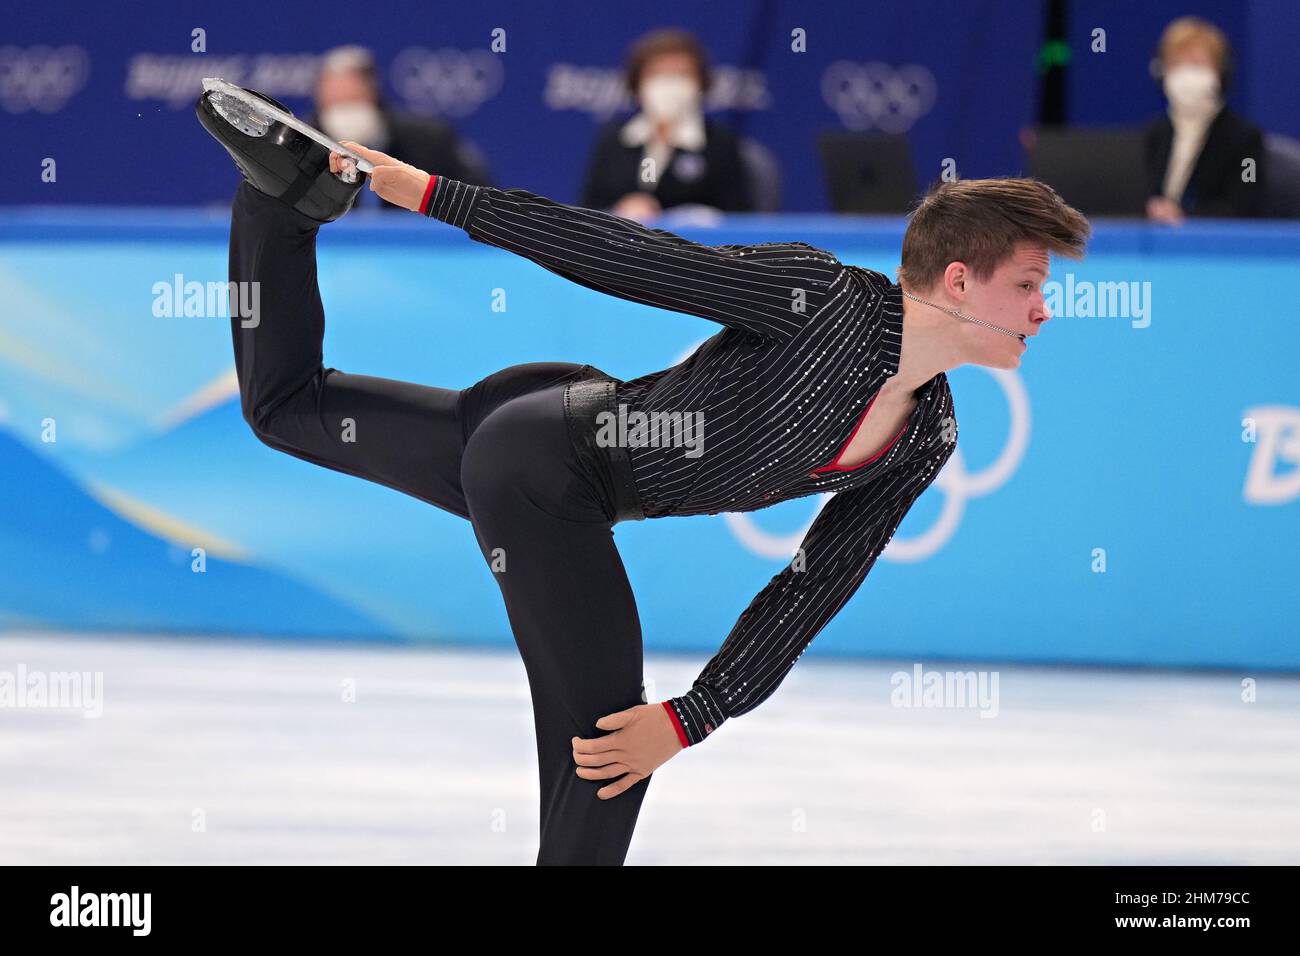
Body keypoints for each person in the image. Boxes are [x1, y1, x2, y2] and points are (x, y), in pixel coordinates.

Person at [197, 85, 1089, 864]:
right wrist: (434, 193)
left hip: (552, 429)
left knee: (286, 407)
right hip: (548, 470)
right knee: (607, 747)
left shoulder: (926, 431)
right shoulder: (823, 300)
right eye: (1029, 287)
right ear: (962, 282)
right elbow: (633, 259)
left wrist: (700, 712)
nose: (1044, 312)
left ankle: (279, 198)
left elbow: (813, 586)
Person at [578, 28, 753, 220]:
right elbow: (588, 209)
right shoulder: (615, 139)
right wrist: (619, 210)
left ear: (701, 83)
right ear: (638, 84)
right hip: (623, 246)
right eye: (657, 75)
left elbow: (738, 217)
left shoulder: (719, 143)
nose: (669, 85)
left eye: (682, 75)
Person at [307, 45, 494, 212]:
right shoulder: (303, 144)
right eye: (336, 102)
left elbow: (479, 202)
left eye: (352, 98)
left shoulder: (428, 139)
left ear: (372, 92)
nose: (345, 113)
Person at [1143, 16, 1264, 223]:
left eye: (1196, 64)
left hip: (1215, 248)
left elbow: (1245, 208)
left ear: (1220, 72)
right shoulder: (1157, 134)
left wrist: (1184, 217)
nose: (1186, 75)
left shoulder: (1244, 138)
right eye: (1176, 64)